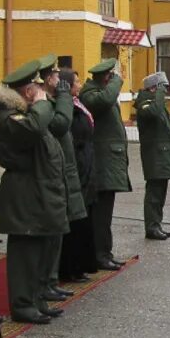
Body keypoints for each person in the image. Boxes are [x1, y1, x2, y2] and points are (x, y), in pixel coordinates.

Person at [0, 59, 70, 324]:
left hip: (38, 189)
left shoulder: (27, 112)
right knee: (25, 252)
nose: (43, 93)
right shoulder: (8, 116)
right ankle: (23, 304)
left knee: (40, 248)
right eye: (37, 88)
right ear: (27, 92)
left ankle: (36, 299)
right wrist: (43, 102)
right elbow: (34, 129)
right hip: (24, 192)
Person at [38, 56, 84, 303]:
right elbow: (60, 124)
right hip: (53, 173)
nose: (61, 81)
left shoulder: (54, 100)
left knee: (59, 228)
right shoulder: (45, 103)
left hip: (63, 169)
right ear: (47, 79)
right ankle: (45, 282)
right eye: (56, 76)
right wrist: (65, 97)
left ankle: (51, 280)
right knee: (52, 229)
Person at [80, 58, 130, 270]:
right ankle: (100, 255)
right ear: (106, 76)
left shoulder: (99, 91)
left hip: (109, 161)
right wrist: (118, 81)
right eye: (111, 75)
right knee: (100, 213)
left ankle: (104, 252)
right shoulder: (90, 94)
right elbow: (105, 100)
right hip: (102, 163)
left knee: (105, 211)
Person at [57, 69, 98, 282]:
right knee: (75, 219)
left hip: (86, 163)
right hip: (78, 165)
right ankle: (70, 267)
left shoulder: (77, 104)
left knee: (85, 215)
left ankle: (82, 264)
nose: (80, 84)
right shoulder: (66, 107)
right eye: (77, 81)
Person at [135, 72, 170, 241]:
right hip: (154, 156)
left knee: (160, 193)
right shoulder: (145, 103)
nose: (166, 91)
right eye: (163, 87)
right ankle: (152, 226)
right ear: (153, 88)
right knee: (154, 194)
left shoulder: (156, 103)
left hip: (162, 155)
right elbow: (154, 112)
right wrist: (160, 94)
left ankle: (156, 225)